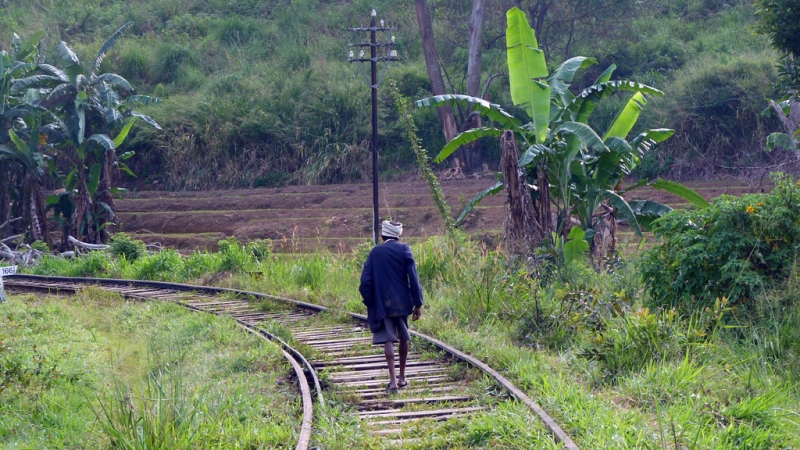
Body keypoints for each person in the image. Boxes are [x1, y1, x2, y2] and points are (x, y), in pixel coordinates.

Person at [359, 220, 423, 394]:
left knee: (388, 338)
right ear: (398, 235)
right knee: (403, 337)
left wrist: (370, 301)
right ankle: (403, 378)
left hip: (382, 302)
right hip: (403, 302)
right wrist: (418, 303)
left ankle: (393, 381)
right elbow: (413, 278)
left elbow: (365, 281)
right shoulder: (404, 250)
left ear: (383, 235)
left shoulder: (375, 252)